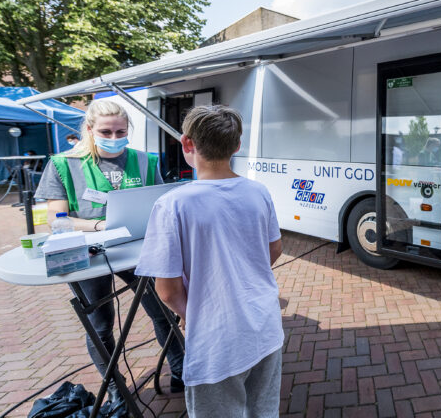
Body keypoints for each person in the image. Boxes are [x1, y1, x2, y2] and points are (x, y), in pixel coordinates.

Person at [33, 99, 184, 406]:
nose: (114, 138)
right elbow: (54, 218)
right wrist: (98, 225)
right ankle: (117, 389)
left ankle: (182, 370)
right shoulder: (64, 164)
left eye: (121, 131)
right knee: (100, 325)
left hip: (138, 250)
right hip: (89, 254)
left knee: (162, 310)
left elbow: (157, 202)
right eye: (106, 131)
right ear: (89, 130)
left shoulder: (144, 160)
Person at [136, 105, 284, 418]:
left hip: (218, 337)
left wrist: (192, 314)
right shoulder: (259, 192)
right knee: (263, 411)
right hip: (266, 326)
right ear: (237, 145)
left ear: (187, 143)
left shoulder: (172, 204)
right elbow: (274, 250)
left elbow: (166, 290)